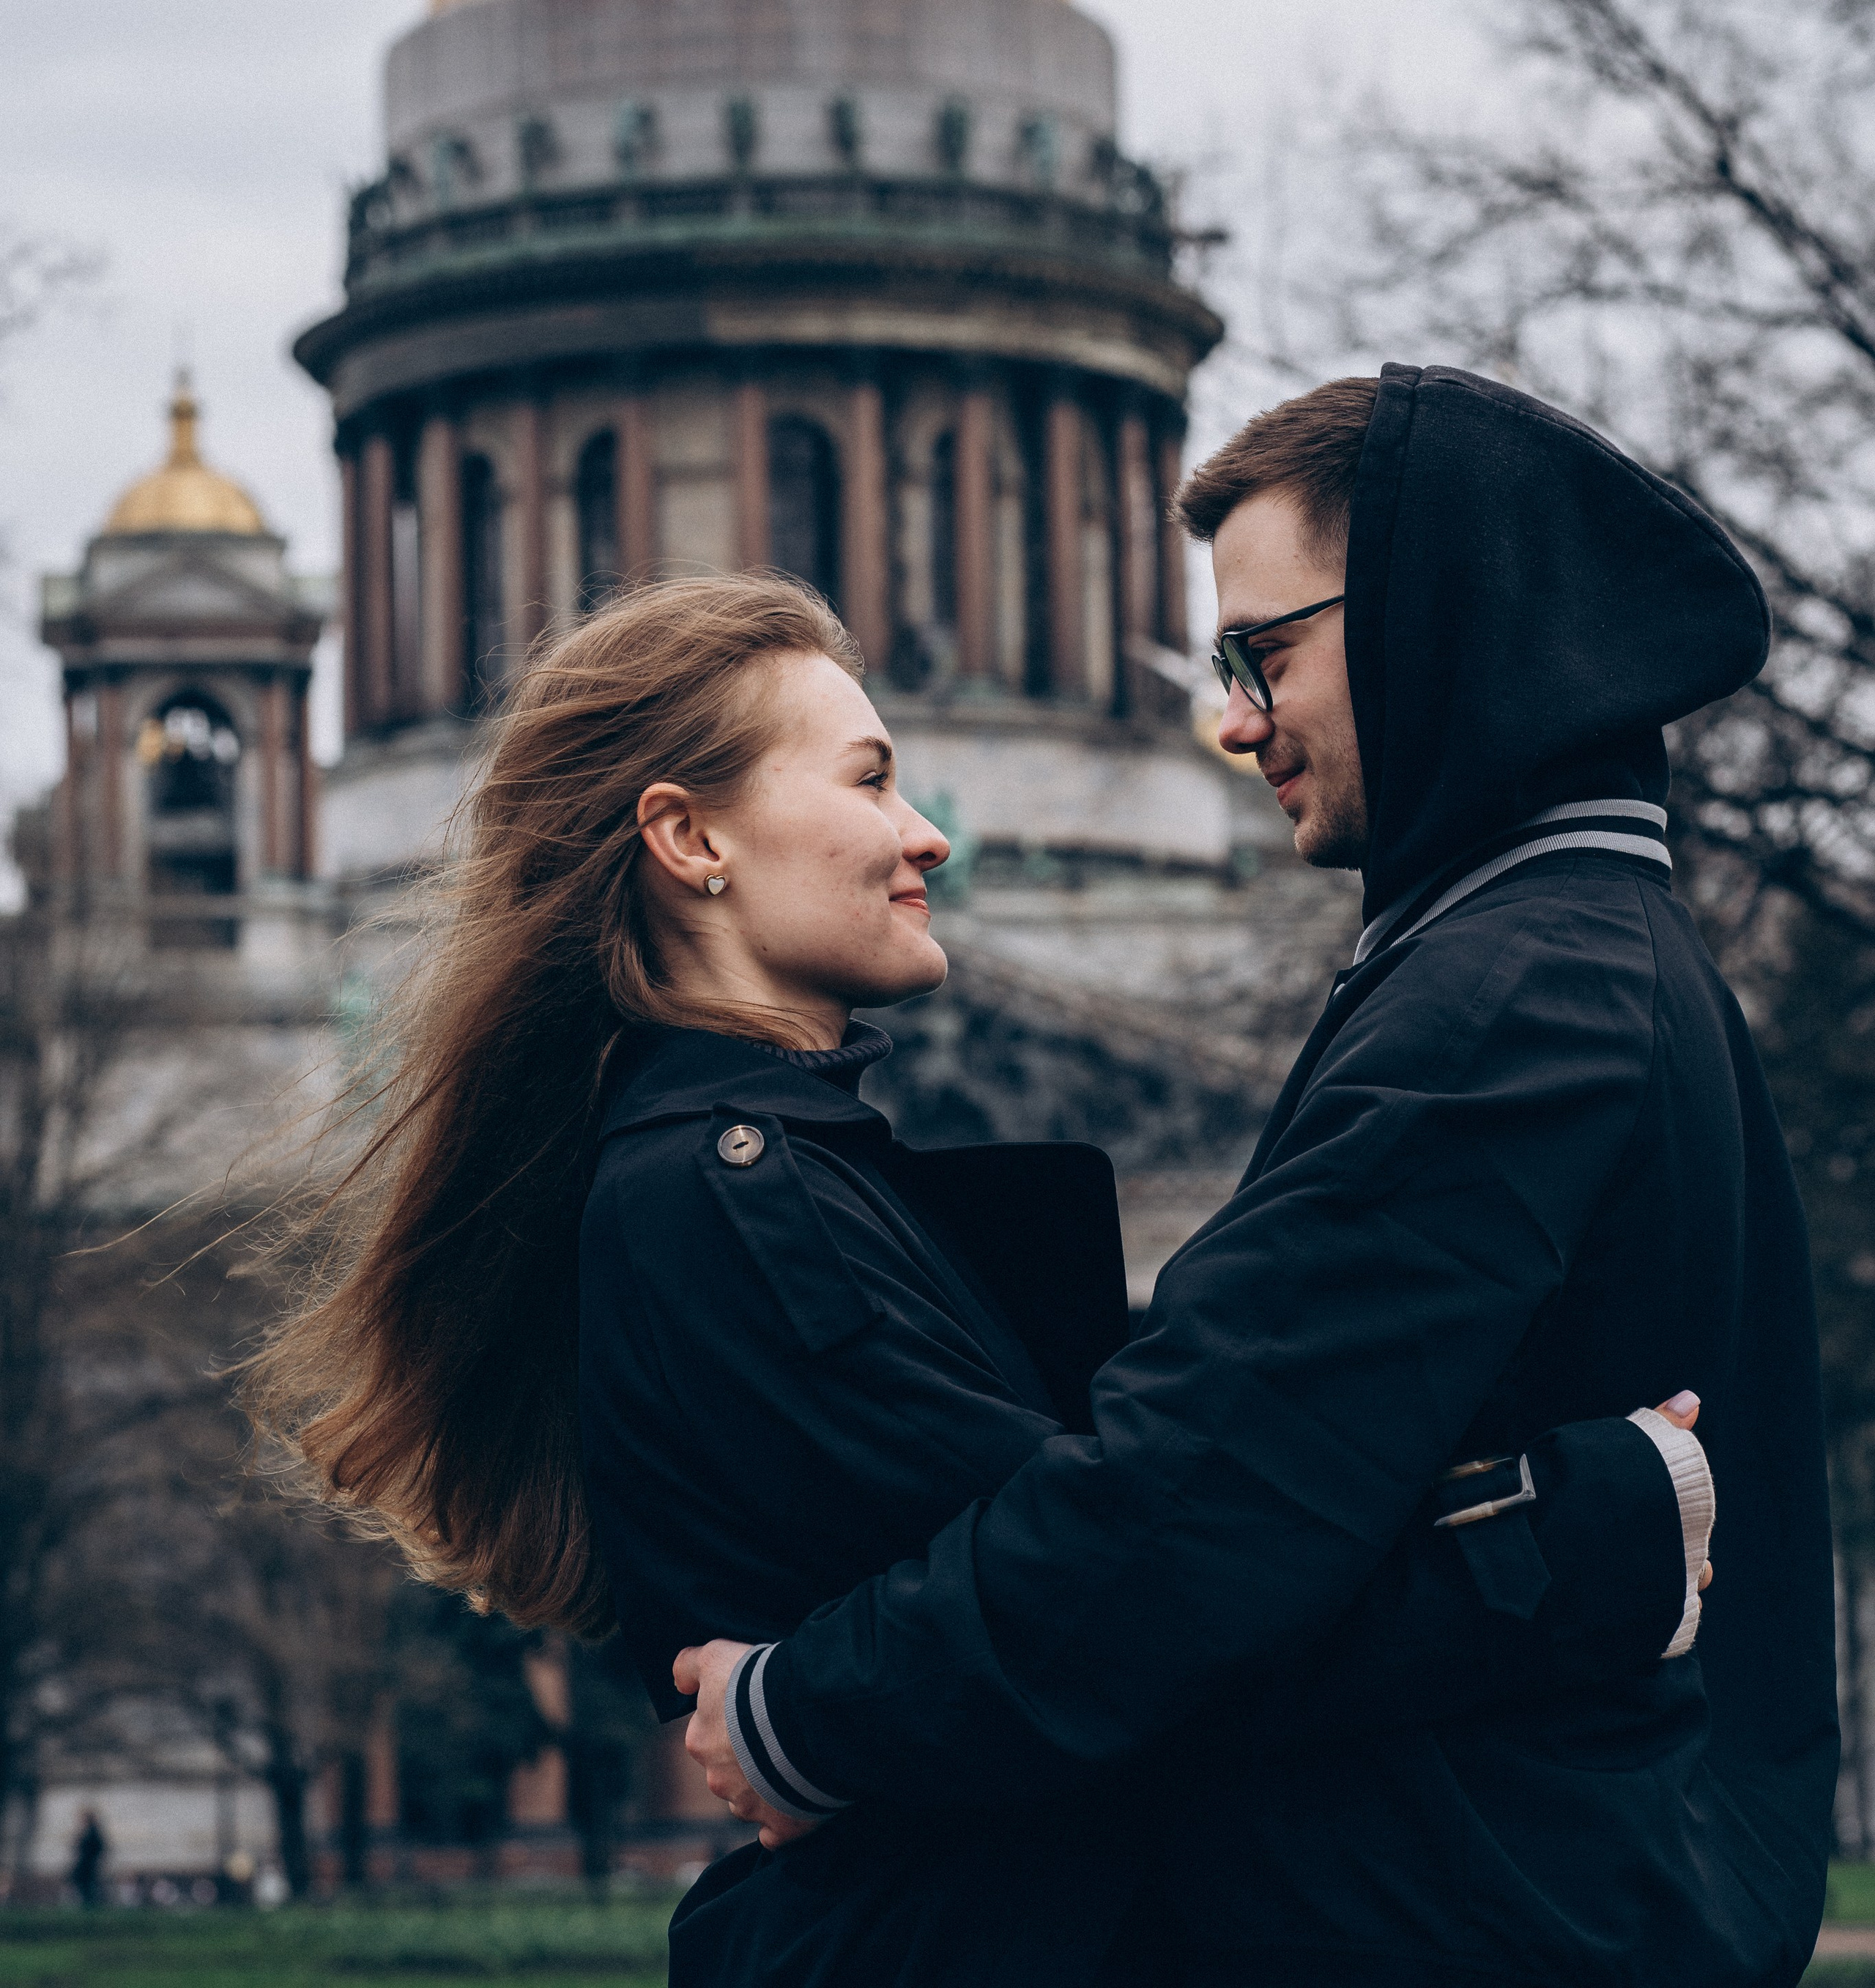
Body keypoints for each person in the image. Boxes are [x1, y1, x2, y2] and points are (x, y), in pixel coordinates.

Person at [245, 566, 1708, 1987]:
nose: (930, 835)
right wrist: (1577, 1543)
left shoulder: (754, 1170)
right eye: (870, 780)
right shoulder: (728, 1193)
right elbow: (1121, 1613)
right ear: (690, 841)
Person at [680, 369, 1838, 1988]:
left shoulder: (1504, 1003)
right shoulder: (1563, 957)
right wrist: (1573, 1529)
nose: (1230, 723)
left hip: (1486, 1913)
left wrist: (803, 1713)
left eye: (1262, 654)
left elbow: (1194, 1507)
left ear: (1443, 621)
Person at [69, 1809, 107, 1909]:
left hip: (88, 1863)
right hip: (86, 1863)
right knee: (86, 1884)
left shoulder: (93, 1832)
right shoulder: (89, 1831)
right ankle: (89, 1903)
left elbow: (99, 1847)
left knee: (87, 1884)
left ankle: (90, 1904)